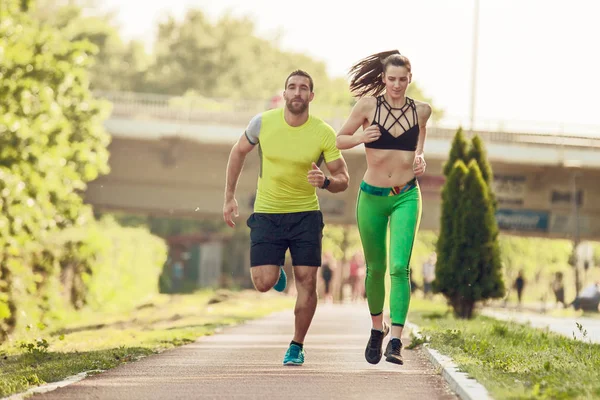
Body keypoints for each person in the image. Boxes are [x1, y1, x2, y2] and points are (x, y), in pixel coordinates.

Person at [222, 70, 349, 366]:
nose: (297, 92)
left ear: (311, 97)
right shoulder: (263, 122)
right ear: (284, 93)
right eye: (292, 87)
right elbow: (237, 152)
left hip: (305, 215)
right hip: (267, 212)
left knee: (306, 279)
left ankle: (297, 344)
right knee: (263, 283)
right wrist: (229, 196)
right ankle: (276, 271)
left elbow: (343, 177)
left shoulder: (323, 133)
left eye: (303, 88)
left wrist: (326, 182)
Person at [336, 50, 431, 365]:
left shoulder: (421, 111)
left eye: (402, 79)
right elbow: (339, 139)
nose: (397, 85)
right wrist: (362, 136)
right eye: (391, 79)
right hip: (372, 197)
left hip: (406, 194)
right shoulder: (366, 106)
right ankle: (377, 329)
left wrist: (420, 159)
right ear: (383, 78)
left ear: (409, 79)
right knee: (376, 268)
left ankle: (396, 341)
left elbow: (420, 146)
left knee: (399, 268)